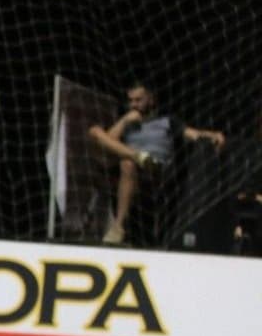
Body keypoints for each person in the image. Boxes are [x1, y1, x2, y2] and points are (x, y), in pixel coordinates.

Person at [88, 82, 225, 245]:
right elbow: (106, 142)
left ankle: (118, 227)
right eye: (130, 101)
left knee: (127, 163)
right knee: (95, 131)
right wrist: (124, 121)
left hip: (153, 168)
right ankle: (137, 156)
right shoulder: (128, 123)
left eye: (138, 100)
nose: (133, 105)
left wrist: (214, 135)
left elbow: (193, 134)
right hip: (128, 165)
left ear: (151, 99)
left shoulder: (167, 121)